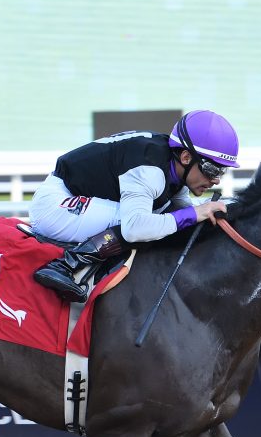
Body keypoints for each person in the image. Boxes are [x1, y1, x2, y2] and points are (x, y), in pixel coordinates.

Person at [29, 109, 239, 303]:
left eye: (222, 171)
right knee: (141, 223)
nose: (216, 180)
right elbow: (135, 228)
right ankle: (66, 265)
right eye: (212, 170)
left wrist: (204, 213)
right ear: (185, 157)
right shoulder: (149, 169)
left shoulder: (171, 168)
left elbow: (183, 214)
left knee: (166, 218)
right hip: (54, 204)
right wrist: (195, 213)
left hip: (78, 197)